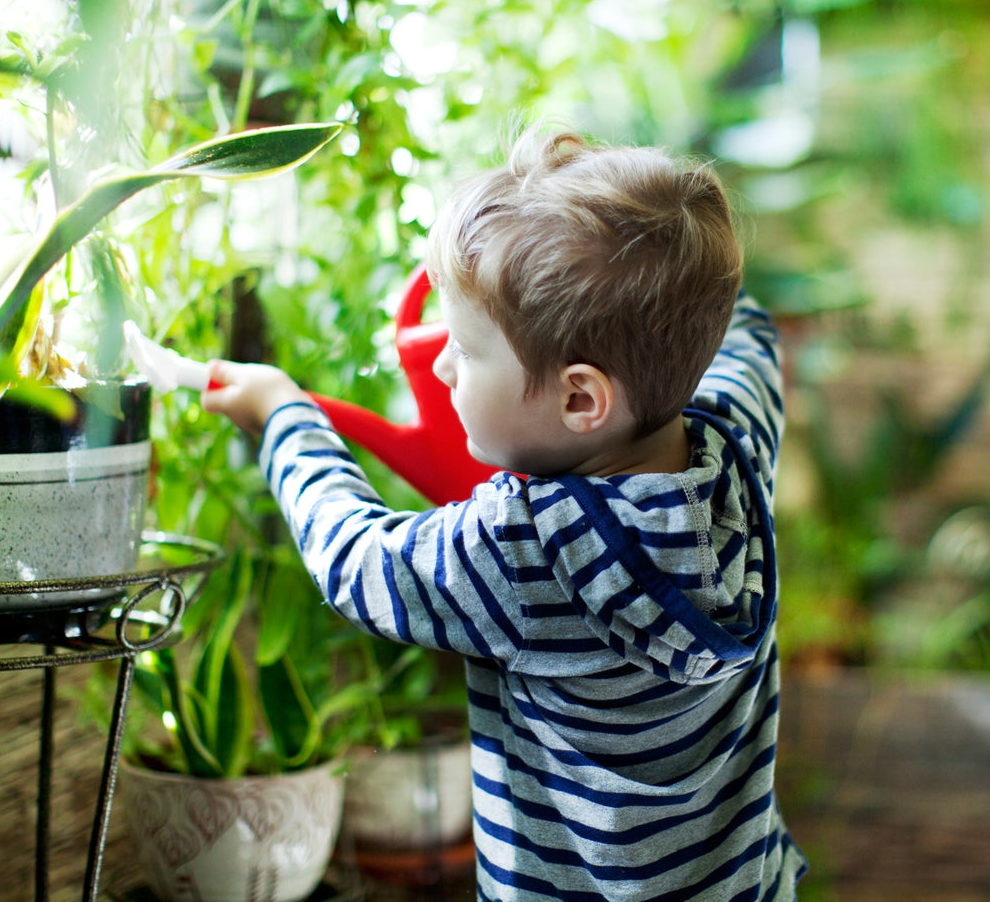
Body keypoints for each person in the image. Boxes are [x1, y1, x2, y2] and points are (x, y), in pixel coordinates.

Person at [204, 126, 805, 901]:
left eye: (465, 345)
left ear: (580, 398)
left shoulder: (526, 554)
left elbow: (357, 561)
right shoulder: (737, 445)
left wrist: (283, 414)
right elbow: (744, 332)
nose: (443, 364)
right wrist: (665, 273)